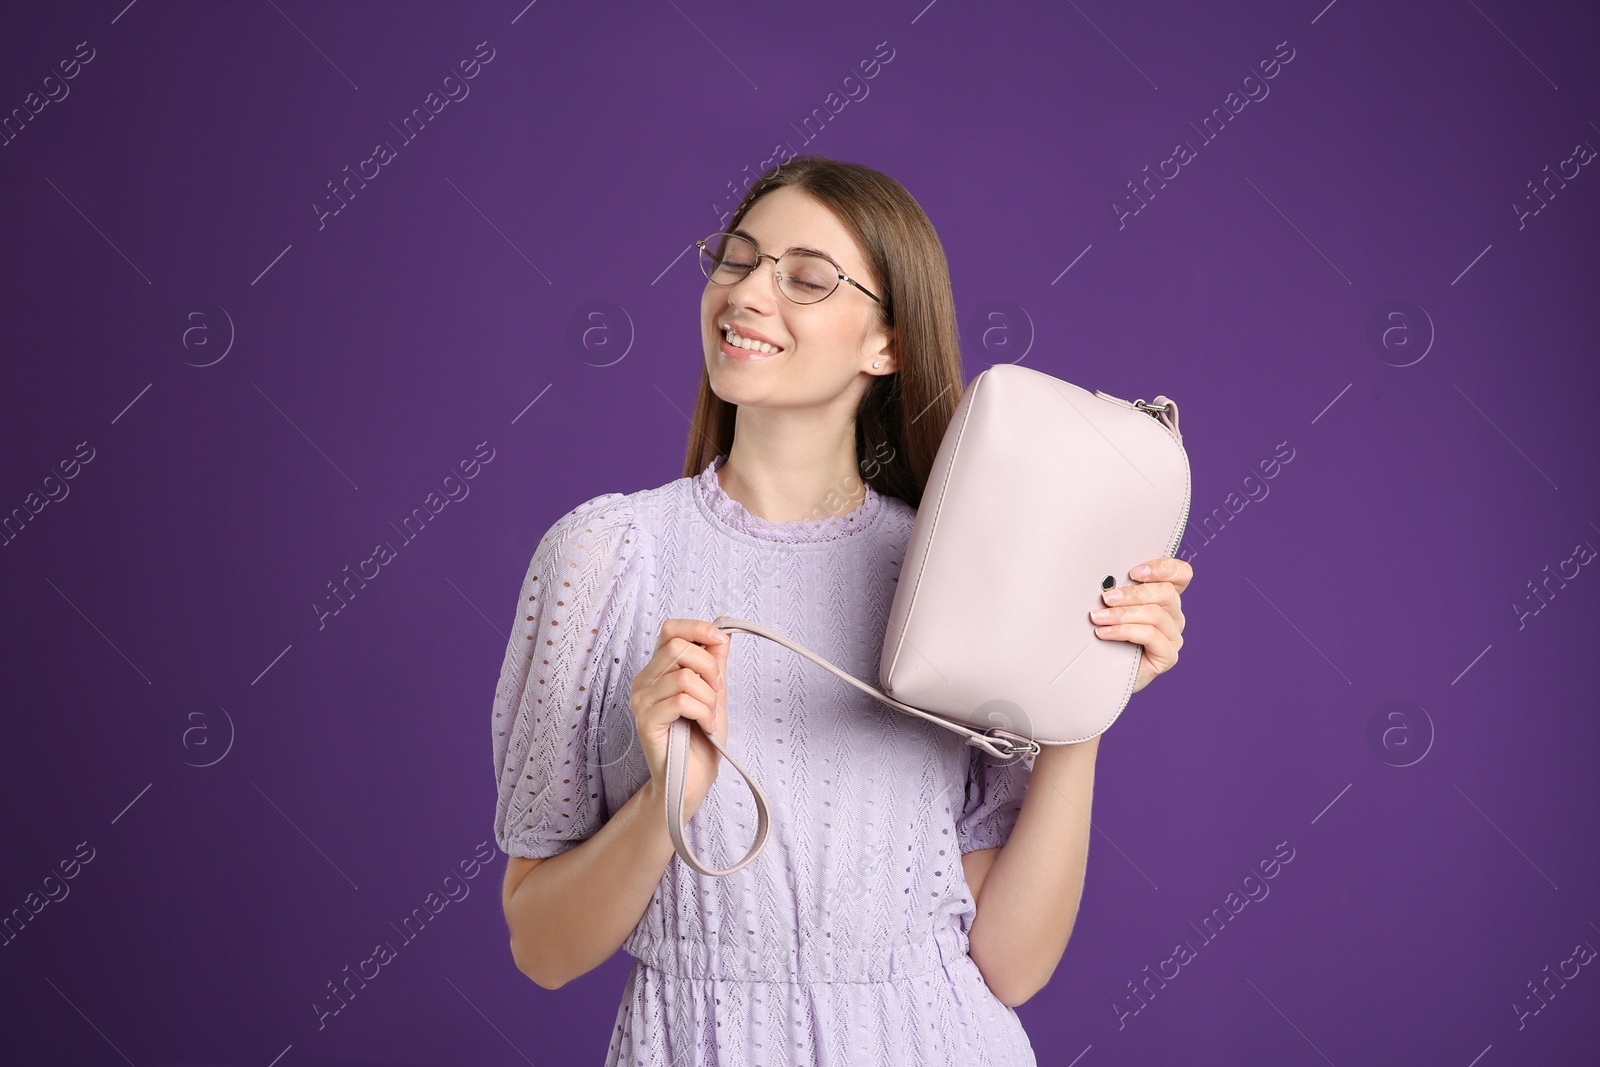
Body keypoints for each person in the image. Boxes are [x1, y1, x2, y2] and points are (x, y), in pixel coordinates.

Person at [491, 154, 1192, 1066]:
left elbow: (1011, 965)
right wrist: (670, 796)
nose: (747, 293)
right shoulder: (604, 556)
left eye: (807, 278)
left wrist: (1085, 694)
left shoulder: (955, 567)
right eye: (736, 260)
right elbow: (542, 950)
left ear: (887, 344)